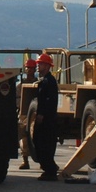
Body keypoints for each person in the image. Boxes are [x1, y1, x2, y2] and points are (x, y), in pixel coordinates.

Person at [33, 53, 59, 181]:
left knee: (45, 145)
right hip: (44, 118)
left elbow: (50, 100)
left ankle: (50, 170)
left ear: (48, 66)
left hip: (47, 120)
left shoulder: (50, 81)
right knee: (38, 143)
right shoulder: (45, 81)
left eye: (41, 64)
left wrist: (42, 114)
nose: (38, 66)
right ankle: (48, 168)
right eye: (37, 64)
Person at [18, 58, 38, 169]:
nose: (29, 70)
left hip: (35, 114)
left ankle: (42, 161)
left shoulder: (38, 83)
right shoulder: (21, 85)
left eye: (31, 68)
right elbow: (17, 99)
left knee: (39, 138)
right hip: (24, 114)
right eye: (27, 67)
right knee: (24, 138)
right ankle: (25, 160)